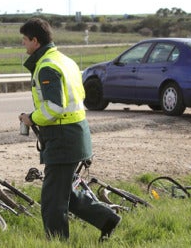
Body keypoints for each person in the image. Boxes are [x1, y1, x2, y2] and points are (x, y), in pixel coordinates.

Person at [18, 18, 121, 242]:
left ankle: (57, 242)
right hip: (72, 134)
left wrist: (31, 118)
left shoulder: (47, 66)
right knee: (66, 193)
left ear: (35, 41)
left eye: (25, 40)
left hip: (63, 138)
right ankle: (107, 220)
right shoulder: (64, 60)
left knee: (52, 199)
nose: (23, 45)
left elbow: (55, 107)